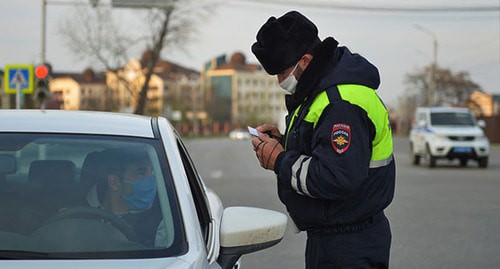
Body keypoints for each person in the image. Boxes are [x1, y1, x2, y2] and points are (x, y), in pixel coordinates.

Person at [250, 11, 396, 269]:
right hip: (334, 236)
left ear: (305, 60)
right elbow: (324, 151)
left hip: (350, 244)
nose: (279, 81)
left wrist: (279, 160)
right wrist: (284, 144)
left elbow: (336, 177)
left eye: (282, 72)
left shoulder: (341, 103)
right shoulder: (322, 90)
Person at [86, 147, 165, 247]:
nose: (151, 180)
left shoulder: (164, 219)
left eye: (152, 172)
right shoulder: (76, 213)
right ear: (115, 183)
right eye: (141, 173)